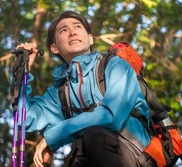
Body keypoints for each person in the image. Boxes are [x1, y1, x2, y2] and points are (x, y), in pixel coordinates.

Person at [15, 10, 154, 167]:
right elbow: (24, 119)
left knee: (93, 134)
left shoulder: (115, 65)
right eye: (63, 30)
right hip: (95, 156)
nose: (72, 32)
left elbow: (111, 116)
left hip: (139, 154)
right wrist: (22, 70)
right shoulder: (61, 91)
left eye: (77, 26)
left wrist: (52, 137)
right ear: (54, 48)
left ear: (90, 38)